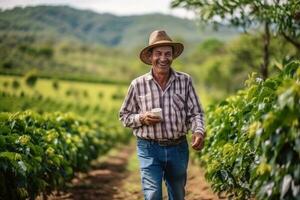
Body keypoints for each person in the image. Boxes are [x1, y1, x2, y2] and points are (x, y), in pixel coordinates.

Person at [119, 30, 205, 200]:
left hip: (178, 147)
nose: (163, 58)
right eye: (158, 53)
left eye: (168, 53)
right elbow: (124, 116)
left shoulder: (185, 81)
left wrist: (199, 131)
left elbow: (196, 112)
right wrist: (141, 118)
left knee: (178, 195)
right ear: (150, 57)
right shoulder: (137, 85)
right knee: (153, 195)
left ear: (173, 56)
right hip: (149, 148)